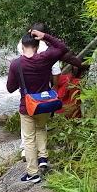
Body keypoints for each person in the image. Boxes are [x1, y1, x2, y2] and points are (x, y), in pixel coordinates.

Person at [7, 28, 72, 183]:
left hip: (28, 106)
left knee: (29, 139)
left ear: (22, 47)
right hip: (44, 104)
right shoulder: (45, 58)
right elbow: (62, 48)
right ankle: (43, 158)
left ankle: (33, 173)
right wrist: (45, 36)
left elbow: (10, 88)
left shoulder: (16, 64)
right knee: (41, 128)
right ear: (37, 46)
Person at [16, 23, 84, 159]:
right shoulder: (47, 50)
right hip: (43, 88)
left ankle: (25, 151)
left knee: (27, 122)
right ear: (42, 35)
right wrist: (55, 86)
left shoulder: (22, 44)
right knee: (41, 122)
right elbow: (56, 70)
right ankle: (42, 156)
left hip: (26, 89)